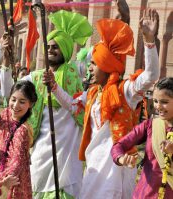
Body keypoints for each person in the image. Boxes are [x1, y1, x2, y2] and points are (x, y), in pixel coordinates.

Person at [44, 9, 160, 199]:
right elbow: (73, 106)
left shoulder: (126, 91)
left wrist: (149, 41)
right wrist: (54, 87)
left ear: (106, 66)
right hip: (93, 166)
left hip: (118, 167)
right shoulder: (92, 93)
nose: (89, 67)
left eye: (94, 64)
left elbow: (151, 76)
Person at [20, 10, 93, 198]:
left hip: (67, 148)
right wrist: (5, 60)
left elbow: (75, 107)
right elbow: (12, 89)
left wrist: (54, 86)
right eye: (49, 46)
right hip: (42, 146)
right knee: (38, 186)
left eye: (56, 46)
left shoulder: (74, 74)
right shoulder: (36, 77)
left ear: (67, 49)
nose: (51, 50)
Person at [111, 77, 173, 199]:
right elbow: (119, 146)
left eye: (164, 102)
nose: (158, 107)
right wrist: (122, 159)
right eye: (155, 101)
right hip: (145, 194)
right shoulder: (150, 125)